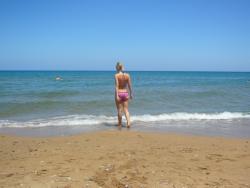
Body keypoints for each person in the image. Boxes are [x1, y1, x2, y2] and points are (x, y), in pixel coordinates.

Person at [114, 62, 133, 129]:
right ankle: (128, 123)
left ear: (117, 67)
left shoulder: (116, 75)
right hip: (125, 93)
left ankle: (119, 124)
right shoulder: (127, 75)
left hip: (119, 92)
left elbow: (116, 86)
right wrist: (131, 93)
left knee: (119, 110)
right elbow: (129, 85)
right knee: (126, 109)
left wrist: (116, 95)